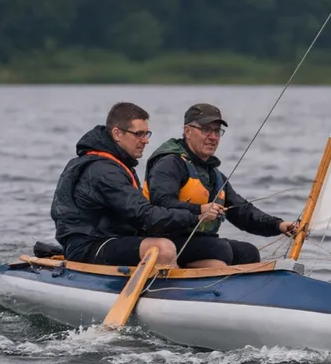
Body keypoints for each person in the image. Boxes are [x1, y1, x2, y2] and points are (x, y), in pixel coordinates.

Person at [50, 102, 220, 267]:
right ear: (117, 134)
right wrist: (196, 215)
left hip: (114, 239)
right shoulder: (103, 171)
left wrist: (194, 216)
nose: (145, 141)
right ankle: (166, 293)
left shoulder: (118, 164)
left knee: (212, 261)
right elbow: (144, 215)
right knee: (162, 248)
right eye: (139, 134)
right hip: (87, 246)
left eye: (147, 134)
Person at [142, 103, 298, 268]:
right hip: (163, 241)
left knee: (248, 252)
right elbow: (161, 203)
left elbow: (241, 211)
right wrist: (199, 210)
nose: (213, 137)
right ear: (187, 131)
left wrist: (278, 225)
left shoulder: (213, 174)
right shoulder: (169, 164)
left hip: (197, 241)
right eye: (206, 130)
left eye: (216, 131)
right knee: (219, 249)